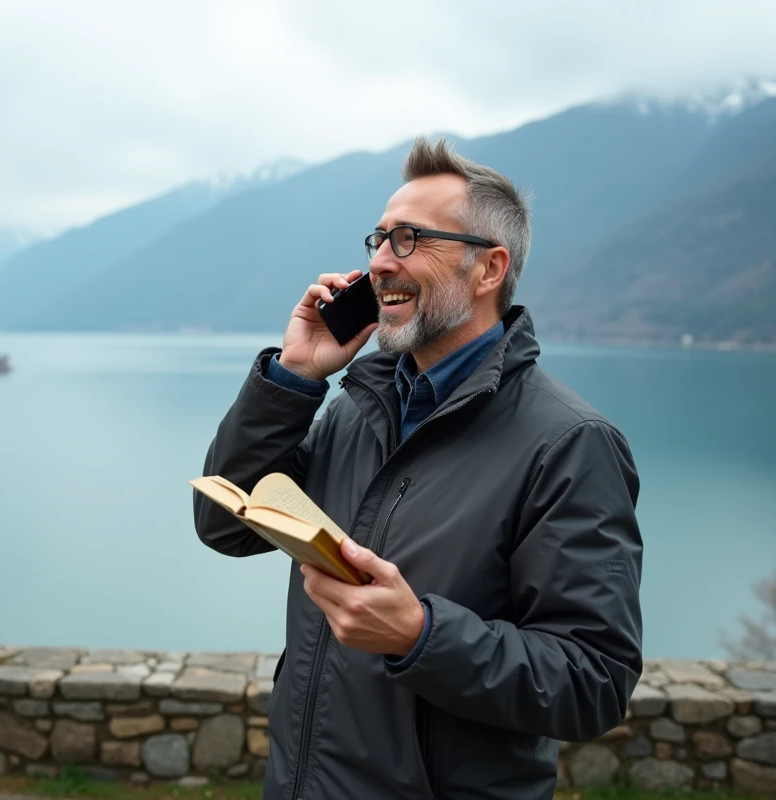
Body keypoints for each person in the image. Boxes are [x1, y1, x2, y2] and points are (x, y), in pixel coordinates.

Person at [192, 135, 643, 799]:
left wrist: (421, 636)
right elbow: (223, 522)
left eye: (408, 239)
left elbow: (593, 682)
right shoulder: (356, 409)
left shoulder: (570, 443)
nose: (378, 263)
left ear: (488, 270)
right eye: (376, 239)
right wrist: (293, 379)